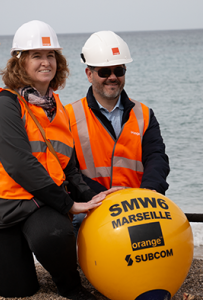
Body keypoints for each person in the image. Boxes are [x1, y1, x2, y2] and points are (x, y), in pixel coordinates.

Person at [0, 20, 118, 299]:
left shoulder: (57, 107)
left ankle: (70, 286)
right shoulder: (5, 105)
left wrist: (95, 198)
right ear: (20, 62)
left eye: (50, 55)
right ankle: (8, 259)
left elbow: (69, 167)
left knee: (55, 234)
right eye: (36, 55)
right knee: (18, 290)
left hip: (38, 204)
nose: (45, 62)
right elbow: (20, 165)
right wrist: (68, 204)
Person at [65, 31, 170, 235]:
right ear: (89, 74)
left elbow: (157, 159)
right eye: (104, 72)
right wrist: (104, 198)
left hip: (138, 206)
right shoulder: (68, 116)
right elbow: (68, 171)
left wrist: (147, 194)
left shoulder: (145, 114)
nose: (112, 77)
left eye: (118, 70)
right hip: (91, 207)